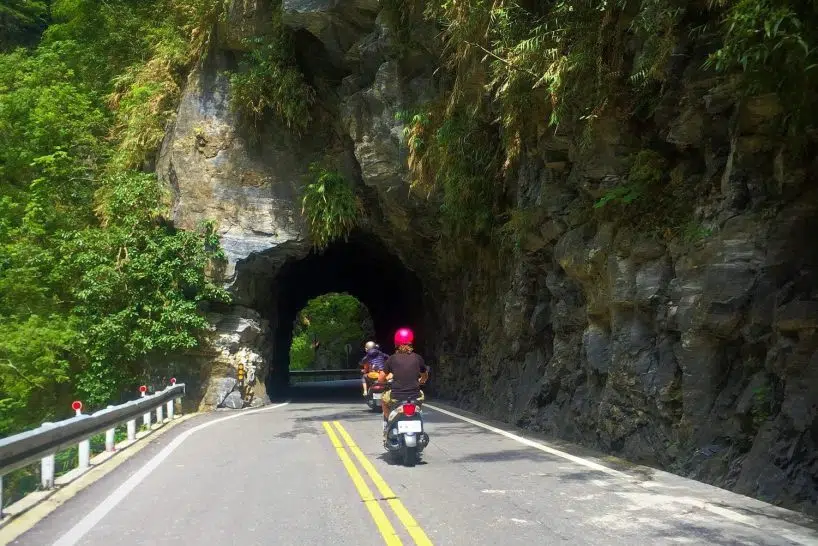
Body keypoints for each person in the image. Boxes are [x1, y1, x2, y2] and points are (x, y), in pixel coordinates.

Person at [378, 327, 428, 434]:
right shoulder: (418, 358)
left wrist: (384, 382)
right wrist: (421, 381)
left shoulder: (392, 359)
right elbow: (424, 375)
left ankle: (387, 423)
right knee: (420, 400)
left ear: (396, 343)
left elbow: (381, 378)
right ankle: (418, 421)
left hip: (397, 396)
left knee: (383, 399)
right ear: (411, 342)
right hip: (415, 396)